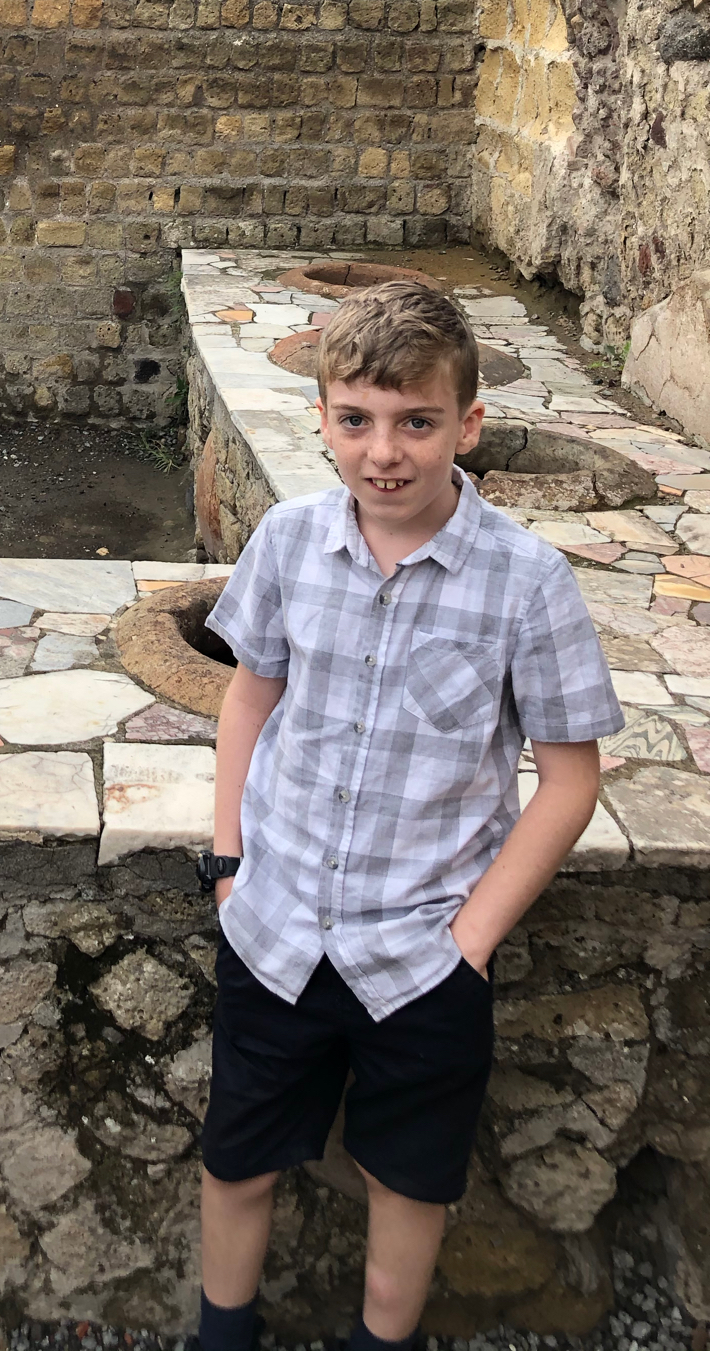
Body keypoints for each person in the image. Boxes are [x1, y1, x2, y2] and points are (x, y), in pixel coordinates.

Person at [192, 281, 624, 1351]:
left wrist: (470, 940)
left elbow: (570, 781)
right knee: (237, 1157)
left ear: (466, 424)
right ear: (323, 417)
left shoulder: (528, 583)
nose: (384, 452)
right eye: (357, 419)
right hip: (277, 928)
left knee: (409, 1181)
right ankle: (222, 1333)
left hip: (423, 951)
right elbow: (250, 695)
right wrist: (230, 863)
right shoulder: (288, 540)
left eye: (416, 422)